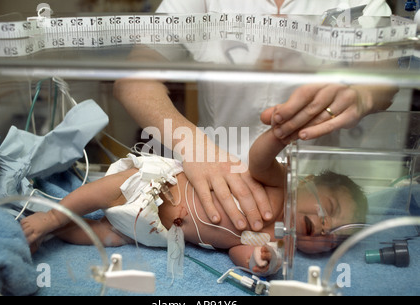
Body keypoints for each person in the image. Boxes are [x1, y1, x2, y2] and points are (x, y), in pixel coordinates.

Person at [113, 0, 396, 235]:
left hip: (301, 190)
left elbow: (387, 77)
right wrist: (193, 145)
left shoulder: (359, 3)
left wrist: (364, 94)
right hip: (209, 180)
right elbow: (133, 79)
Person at [21, 126, 367, 275]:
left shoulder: (276, 242)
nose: (324, 227)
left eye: (334, 235)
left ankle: (47, 233)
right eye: (330, 211)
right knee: (105, 190)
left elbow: (235, 251)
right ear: (304, 180)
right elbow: (260, 157)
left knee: (99, 234)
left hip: (153, 233)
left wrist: (259, 261)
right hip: (158, 187)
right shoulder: (277, 186)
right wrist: (279, 136)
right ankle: (50, 218)